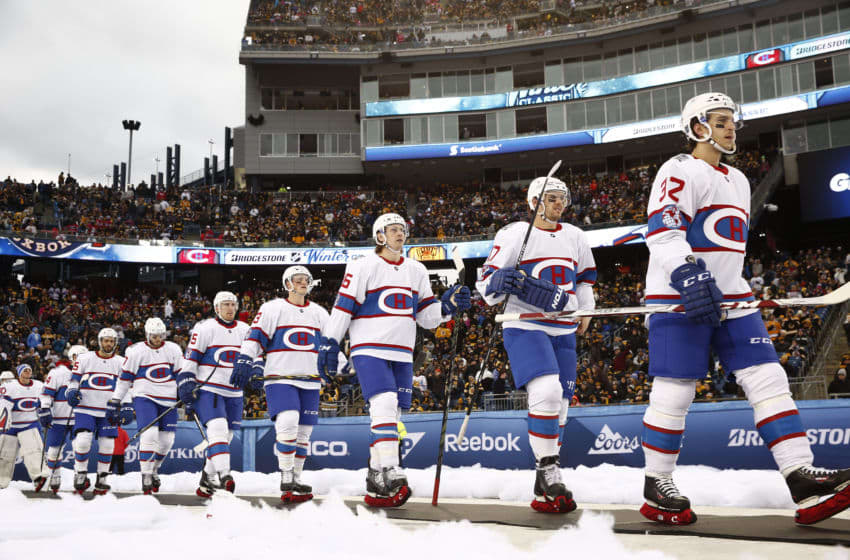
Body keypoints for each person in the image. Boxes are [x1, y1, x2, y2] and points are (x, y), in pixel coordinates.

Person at [640, 91, 850, 526]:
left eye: (732, 120)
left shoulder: (737, 179)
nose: (730, 127)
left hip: (732, 296)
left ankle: (801, 477)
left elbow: (728, 243)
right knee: (677, 389)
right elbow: (663, 233)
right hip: (680, 296)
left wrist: (723, 283)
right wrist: (687, 275)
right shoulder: (678, 169)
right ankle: (656, 483)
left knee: (768, 377)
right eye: (720, 120)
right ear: (697, 127)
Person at [317, 213, 471, 507]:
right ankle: (391, 470)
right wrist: (329, 341)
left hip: (402, 352)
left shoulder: (416, 269)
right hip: (369, 348)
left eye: (402, 229)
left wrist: (447, 306)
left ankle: (375, 479)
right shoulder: (363, 266)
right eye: (393, 229)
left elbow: (426, 317)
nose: (400, 233)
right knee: (384, 404)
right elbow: (343, 306)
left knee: (393, 415)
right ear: (380, 236)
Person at [476, 174, 596, 514]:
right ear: (534, 202)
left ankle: (545, 478)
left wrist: (586, 308)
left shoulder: (575, 236)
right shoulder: (515, 234)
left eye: (563, 198)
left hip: (564, 327)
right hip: (525, 323)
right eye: (552, 198)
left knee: (561, 404)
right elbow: (487, 286)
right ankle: (548, 469)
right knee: (546, 390)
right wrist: (498, 280)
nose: (560, 203)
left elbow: (585, 279)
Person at [231, 267, 329, 503]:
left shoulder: (319, 313)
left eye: (306, 279)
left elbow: (330, 345)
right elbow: (254, 337)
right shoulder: (272, 308)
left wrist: (345, 364)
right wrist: (245, 358)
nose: (303, 282)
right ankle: (286, 473)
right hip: (280, 376)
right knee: (288, 421)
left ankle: (296, 477)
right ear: (288, 284)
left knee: (304, 433)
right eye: (298, 279)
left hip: (311, 379)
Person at [177, 291, 250, 497]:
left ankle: (206, 479)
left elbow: (254, 356)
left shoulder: (245, 329)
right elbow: (191, 359)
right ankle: (225, 475)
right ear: (217, 308)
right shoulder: (205, 328)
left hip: (235, 392)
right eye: (225, 304)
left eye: (233, 305)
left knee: (225, 437)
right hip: (209, 389)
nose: (230, 308)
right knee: (217, 429)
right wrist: (186, 381)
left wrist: (256, 372)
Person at [109, 318, 183, 494]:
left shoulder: (173, 349)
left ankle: (155, 468)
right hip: (145, 397)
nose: (157, 339)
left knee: (167, 441)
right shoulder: (136, 351)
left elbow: (182, 374)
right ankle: (146, 474)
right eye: (154, 336)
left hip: (169, 399)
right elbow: (125, 378)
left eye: (160, 336)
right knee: (149, 434)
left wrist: (188, 394)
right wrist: (116, 400)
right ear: (147, 334)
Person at [65, 329, 123, 495]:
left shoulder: (121, 361)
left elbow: (126, 386)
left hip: (109, 409)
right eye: (106, 341)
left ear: (115, 343)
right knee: (83, 441)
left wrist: (126, 404)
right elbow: (74, 379)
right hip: (85, 407)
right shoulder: (84, 358)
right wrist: (71, 392)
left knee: (108, 444)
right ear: (99, 341)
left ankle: (102, 478)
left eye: (112, 341)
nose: (108, 344)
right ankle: (80, 473)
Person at [38, 344, 86, 493]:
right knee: (53, 451)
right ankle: (55, 476)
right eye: (76, 357)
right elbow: (46, 393)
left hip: (81, 418)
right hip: (59, 418)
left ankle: (80, 476)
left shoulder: (91, 374)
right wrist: (45, 408)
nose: (79, 361)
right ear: (71, 358)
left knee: (82, 447)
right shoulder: (58, 373)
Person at [0, 364, 46, 490]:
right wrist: (3, 419)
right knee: (5, 455)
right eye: (24, 370)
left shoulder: (39, 385)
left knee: (34, 452)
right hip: (11, 426)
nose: (27, 372)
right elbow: (3, 406)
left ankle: (38, 478)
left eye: (29, 370)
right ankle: (1, 482)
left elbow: (45, 402)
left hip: (29, 423)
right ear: (19, 373)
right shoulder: (9, 387)